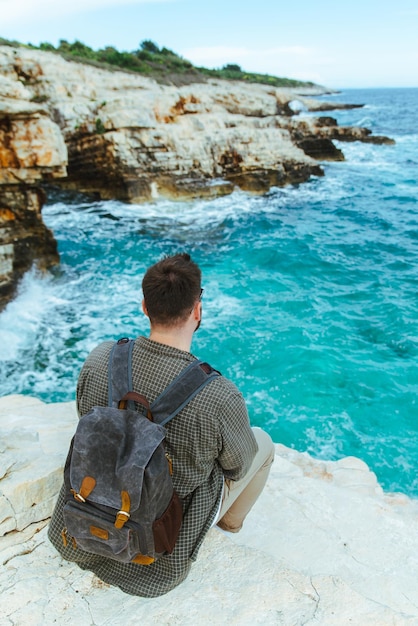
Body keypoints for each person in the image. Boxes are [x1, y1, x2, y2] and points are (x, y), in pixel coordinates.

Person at [48, 253, 275, 597]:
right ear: (197, 311)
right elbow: (237, 467)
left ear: (144, 306)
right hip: (155, 557)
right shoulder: (219, 396)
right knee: (264, 445)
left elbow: (84, 415)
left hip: (80, 527)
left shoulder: (101, 357)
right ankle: (230, 524)